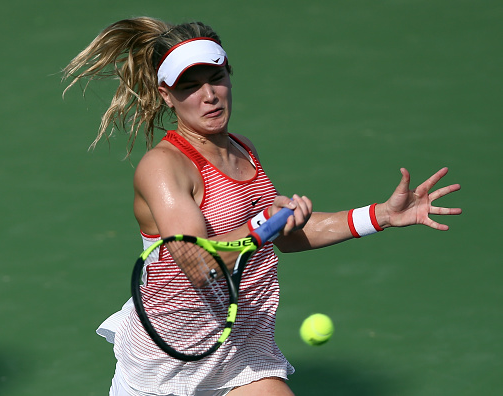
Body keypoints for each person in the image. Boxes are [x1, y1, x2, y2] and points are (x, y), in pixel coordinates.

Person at [62, 17, 461, 396]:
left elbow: (284, 238)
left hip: (241, 349)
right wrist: (263, 223)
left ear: (229, 75)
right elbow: (199, 265)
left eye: (216, 78)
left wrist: (381, 216)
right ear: (167, 95)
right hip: (166, 362)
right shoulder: (163, 168)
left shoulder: (243, 150)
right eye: (190, 86)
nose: (209, 95)